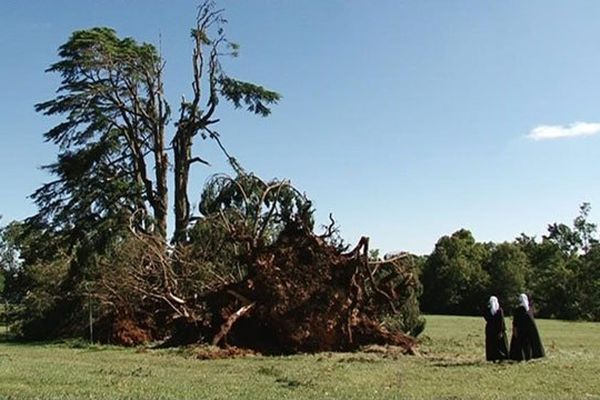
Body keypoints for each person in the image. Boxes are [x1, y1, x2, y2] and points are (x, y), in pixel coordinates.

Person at [509, 293, 545, 361]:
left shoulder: (519, 310)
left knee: (521, 344)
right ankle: (526, 357)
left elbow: (515, 322)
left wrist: (515, 330)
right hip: (527, 331)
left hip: (521, 331)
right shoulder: (529, 310)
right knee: (526, 344)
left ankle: (522, 357)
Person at [483, 296, 509, 361]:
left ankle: (492, 357)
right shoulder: (500, 310)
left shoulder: (488, 311)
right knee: (500, 344)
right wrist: (502, 330)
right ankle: (502, 357)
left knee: (491, 344)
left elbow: (486, 318)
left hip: (490, 330)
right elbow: (502, 321)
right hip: (498, 330)